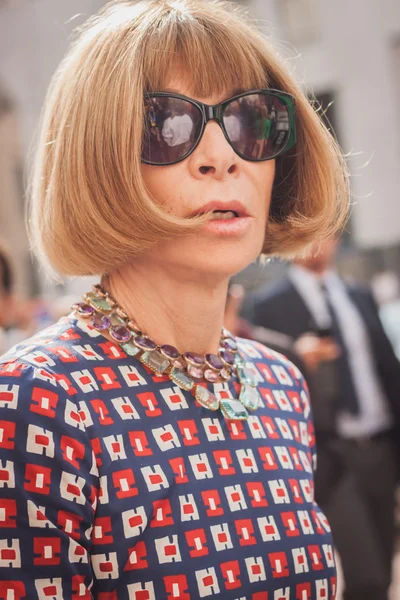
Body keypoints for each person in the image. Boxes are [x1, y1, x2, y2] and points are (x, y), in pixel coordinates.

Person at [0, 0, 349, 598]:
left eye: (250, 119)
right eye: (167, 125)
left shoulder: (280, 383)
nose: (223, 157)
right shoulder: (36, 404)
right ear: (98, 162)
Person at [252, 236, 400, 600]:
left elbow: (388, 369)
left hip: (380, 443)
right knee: (364, 575)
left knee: (383, 565)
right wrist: (300, 356)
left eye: (326, 234)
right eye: (307, 236)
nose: (319, 245)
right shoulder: (267, 306)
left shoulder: (358, 295)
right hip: (330, 455)